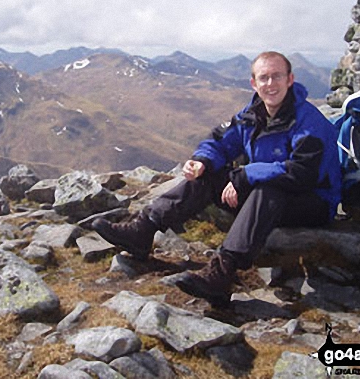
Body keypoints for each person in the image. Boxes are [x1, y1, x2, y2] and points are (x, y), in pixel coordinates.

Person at [93, 51, 342, 306]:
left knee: (268, 189)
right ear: (253, 84)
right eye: (263, 78)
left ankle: (222, 273)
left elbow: (302, 174)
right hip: (266, 193)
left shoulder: (310, 123)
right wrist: (201, 161)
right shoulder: (252, 114)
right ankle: (142, 230)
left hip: (314, 201)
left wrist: (245, 176)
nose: (270, 84)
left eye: (276, 76)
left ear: (290, 79)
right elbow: (220, 143)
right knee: (210, 174)